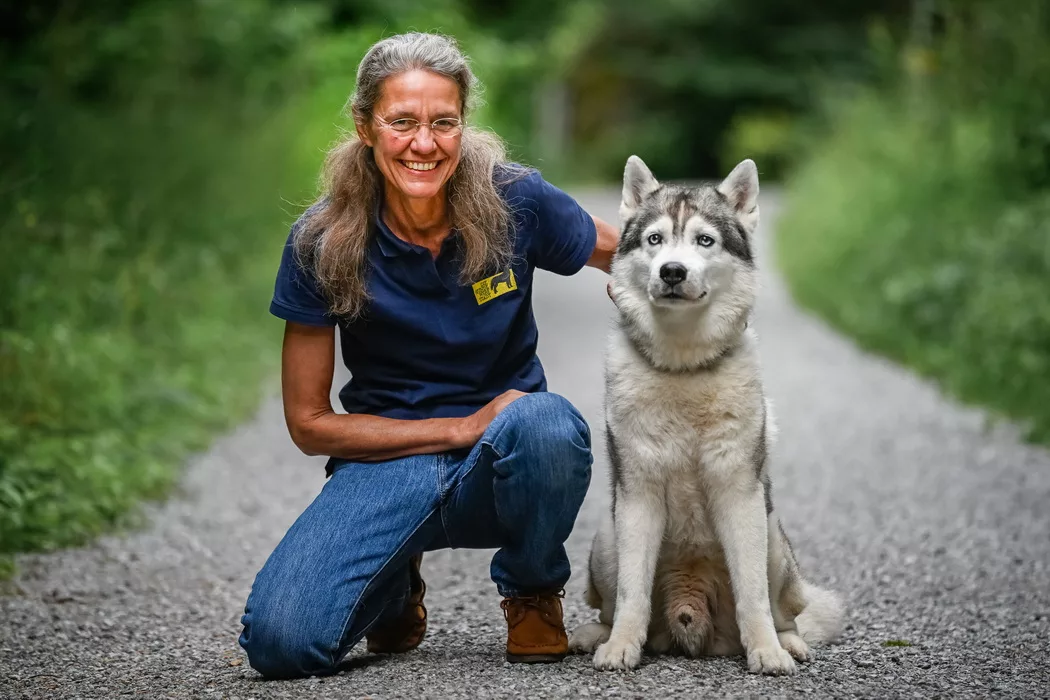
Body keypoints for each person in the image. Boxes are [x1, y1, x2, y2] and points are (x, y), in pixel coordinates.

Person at [237, 32, 620, 679]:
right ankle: (394, 582)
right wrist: (457, 427)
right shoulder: (321, 239)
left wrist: (657, 285)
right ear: (365, 125)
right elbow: (309, 425)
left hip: (504, 459)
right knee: (281, 645)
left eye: (443, 122)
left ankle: (531, 590)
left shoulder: (516, 200)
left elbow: (629, 251)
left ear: (463, 124)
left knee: (547, 422)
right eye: (403, 122)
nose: (425, 143)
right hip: (386, 467)